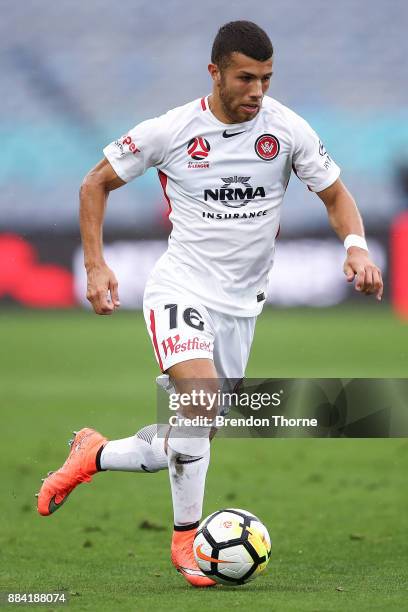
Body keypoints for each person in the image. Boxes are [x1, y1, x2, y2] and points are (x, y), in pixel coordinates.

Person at [36, 20, 383, 587]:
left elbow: (336, 193)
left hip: (242, 308)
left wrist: (357, 247)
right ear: (215, 72)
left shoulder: (286, 130)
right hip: (180, 287)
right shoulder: (173, 130)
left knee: (188, 437)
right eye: (245, 77)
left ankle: (92, 454)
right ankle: (185, 541)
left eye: (266, 79)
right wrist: (95, 264)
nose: (257, 91)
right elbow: (93, 183)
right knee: (201, 396)